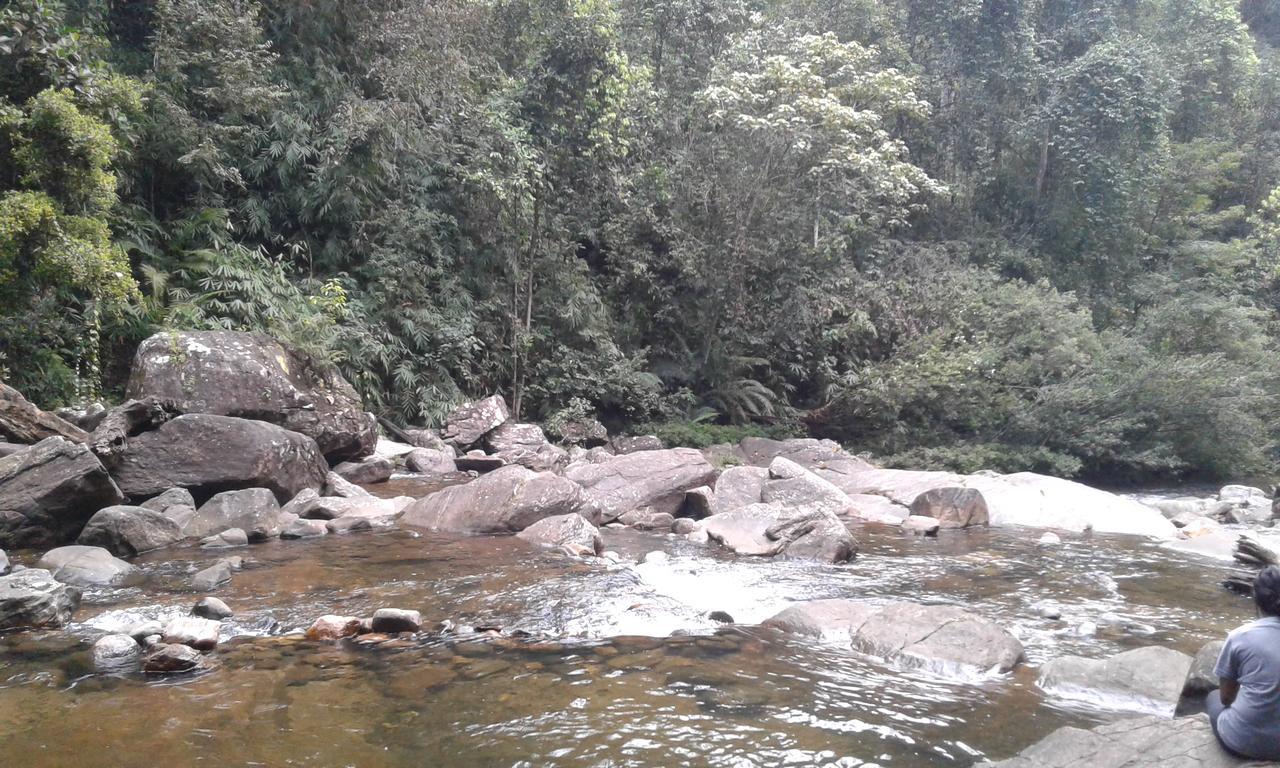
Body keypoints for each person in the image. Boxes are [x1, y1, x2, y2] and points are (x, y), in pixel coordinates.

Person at [1205, 565, 1280, 760]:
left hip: (1244, 742)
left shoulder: (1241, 637)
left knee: (1212, 698)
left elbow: (1226, 699)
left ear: (1257, 599)